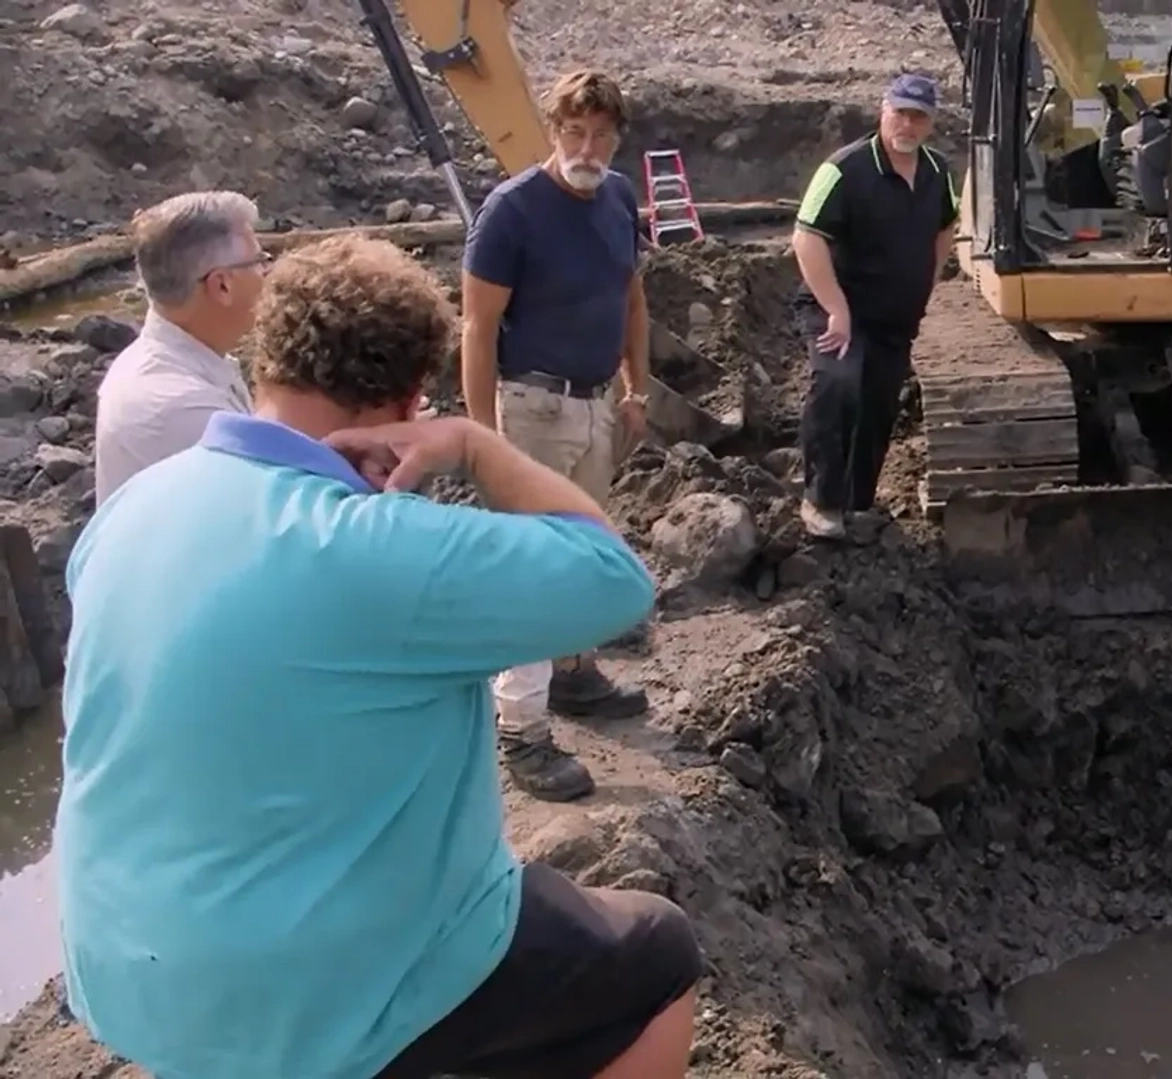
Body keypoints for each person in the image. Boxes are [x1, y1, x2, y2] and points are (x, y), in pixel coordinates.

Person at [57, 234, 702, 1079]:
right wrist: (479, 446)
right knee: (656, 953)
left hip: (120, 974)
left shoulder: (132, 509)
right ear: (407, 402)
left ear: (264, 361)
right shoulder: (377, 546)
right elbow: (616, 581)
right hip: (304, 996)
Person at [463, 68, 654, 801]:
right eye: (575, 131)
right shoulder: (512, 212)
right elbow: (477, 328)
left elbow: (631, 296)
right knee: (531, 568)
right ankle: (521, 729)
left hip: (596, 401)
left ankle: (574, 671)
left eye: (602, 134)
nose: (588, 146)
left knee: (586, 549)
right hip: (532, 404)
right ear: (553, 131)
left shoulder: (617, 197)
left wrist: (635, 387)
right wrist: (485, 439)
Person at [790, 72, 958, 540]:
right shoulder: (844, 169)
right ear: (883, 110)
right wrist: (836, 309)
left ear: (930, 123)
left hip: (894, 313)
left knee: (879, 404)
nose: (907, 123)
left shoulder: (938, 172)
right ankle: (821, 500)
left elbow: (946, 225)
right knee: (838, 385)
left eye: (918, 116)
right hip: (838, 307)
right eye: (899, 112)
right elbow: (806, 238)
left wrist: (928, 280)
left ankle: (858, 501)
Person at [94, 189, 267, 502]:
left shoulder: (180, 359)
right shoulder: (182, 408)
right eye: (258, 261)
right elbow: (272, 510)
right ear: (222, 285)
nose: (266, 273)